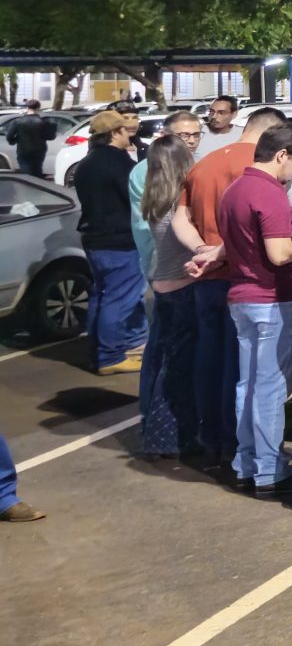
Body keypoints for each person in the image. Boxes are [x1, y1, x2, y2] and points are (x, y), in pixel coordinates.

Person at [217, 123, 292, 496]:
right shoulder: (269, 192)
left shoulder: (234, 190)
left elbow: (244, 243)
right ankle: (268, 468)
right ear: (281, 155)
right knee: (271, 388)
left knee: (250, 385)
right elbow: (279, 253)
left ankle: (248, 462)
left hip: (244, 298)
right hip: (274, 300)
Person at [181, 105, 284, 473]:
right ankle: (236, 445)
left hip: (205, 279)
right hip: (243, 278)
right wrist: (219, 253)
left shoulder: (203, 164)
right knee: (242, 370)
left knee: (208, 361)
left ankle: (210, 441)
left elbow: (180, 217)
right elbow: (256, 227)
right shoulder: (259, 168)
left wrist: (202, 250)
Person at [135, 132, 212, 457]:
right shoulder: (178, 205)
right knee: (180, 370)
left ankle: (157, 432)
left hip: (161, 287)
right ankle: (171, 438)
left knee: (162, 363)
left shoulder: (153, 197)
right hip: (183, 289)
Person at [73, 110, 145, 374]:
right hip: (120, 241)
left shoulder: (86, 163)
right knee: (118, 299)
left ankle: (105, 349)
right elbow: (136, 199)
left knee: (102, 295)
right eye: (125, 129)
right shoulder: (120, 162)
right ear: (115, 133)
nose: (130, 132)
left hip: (94, 239)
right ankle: (110, 356)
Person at [7, 99, 53, 175]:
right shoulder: (43, 122)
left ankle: (27, 181)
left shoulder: (17, 121)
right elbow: (51, 136)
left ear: (27, 107)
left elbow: (9, 136)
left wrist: (15, 140)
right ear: (38, 108)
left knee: (25, 171)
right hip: (39, 150)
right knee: (37, 169)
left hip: (23, 149)